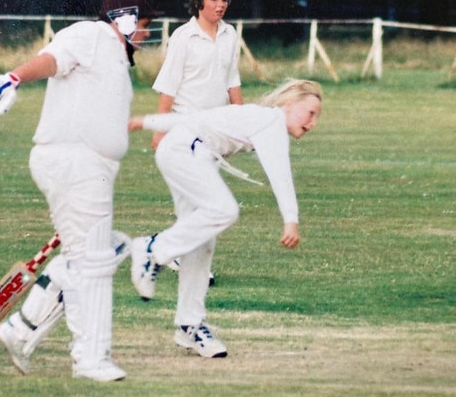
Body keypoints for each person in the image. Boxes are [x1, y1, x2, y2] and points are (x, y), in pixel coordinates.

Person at [0, 0, 163, 381]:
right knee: (93, 263)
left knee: (109, 248)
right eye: (144, 24)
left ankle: (22, 329)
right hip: (73, 162)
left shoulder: (115, 56)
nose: (147, 34)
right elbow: (52, 59)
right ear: (127, 18)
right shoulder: (91, 34)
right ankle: (90, 359)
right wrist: (13, 78)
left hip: (89, 168)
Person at [128, 79, 322, 357]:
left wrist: (147, 121)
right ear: (288, 105)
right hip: (185, 152)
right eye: (310, 113)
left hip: (185, 152)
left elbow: (197, 117)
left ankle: (189, 325)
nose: (313, 122)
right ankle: (151, 249)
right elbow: (280, 172)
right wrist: (290, 219)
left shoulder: (258, 116)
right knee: (224, 210)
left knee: (201, 242)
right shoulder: (271, 121)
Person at [151, 0, 243, 288]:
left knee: (203, 200)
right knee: (196, 200)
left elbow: (233, 80)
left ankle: (171, 250)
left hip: (215, 129)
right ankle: (187, 260)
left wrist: (241, 121)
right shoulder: (183, 37)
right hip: (183, 128)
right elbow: (168, 86)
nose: (221, 5)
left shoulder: (230, 35)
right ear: (199, 2)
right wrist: (159, 130)